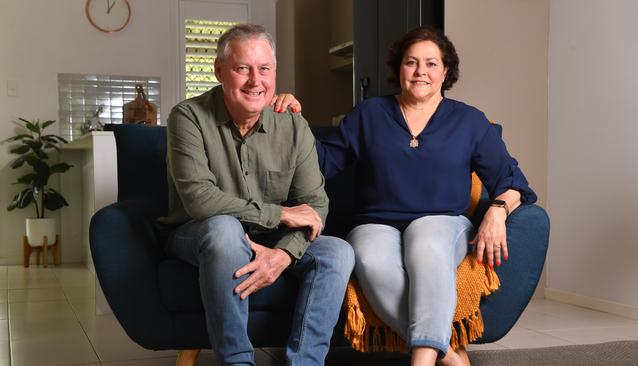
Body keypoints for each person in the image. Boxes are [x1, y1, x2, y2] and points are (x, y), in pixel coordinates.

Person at [315, 26, 537, 366]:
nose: (421, 71)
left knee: (425, 240)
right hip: (376, 223)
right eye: (411, 62)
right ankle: (447, 355)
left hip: (444, 222)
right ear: (398, 68)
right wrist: (287, 122)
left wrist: (496, 211)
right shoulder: (368, 114)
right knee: (371, 256)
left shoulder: (470, 121)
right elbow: (321, 162)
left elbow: (512, 181)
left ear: (445, 71)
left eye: (431, 63)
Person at [159, 23, 354, 366]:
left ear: (275, 73)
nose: (255, 80)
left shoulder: (292, 124)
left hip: (270, 238)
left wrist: (283, 254)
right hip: (197, 232)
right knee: (223, 230)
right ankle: (236, 360)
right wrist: (280, 214)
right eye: (241, 68)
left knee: (337, 252)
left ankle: (306, 363)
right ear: (219, 71)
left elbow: (316, 204)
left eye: (264, 69)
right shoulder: (187, 117)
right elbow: (200, 200)